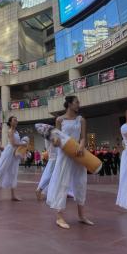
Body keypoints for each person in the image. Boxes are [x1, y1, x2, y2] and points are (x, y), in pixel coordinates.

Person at [46, 96, 93, 229]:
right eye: (77, 102)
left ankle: (81, 215)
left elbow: (83, 138)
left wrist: (81, 146)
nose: (79, 104)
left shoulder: (81, 119)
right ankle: (59, 217)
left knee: (80, 182)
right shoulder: (59, 120)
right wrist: (54, 141)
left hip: (78, 154)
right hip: (64, 154)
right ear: (69, 104)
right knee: (62, 182)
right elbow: (57, 139)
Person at [0, 116, 25, 203]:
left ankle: (13, 195)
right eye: (14, 120)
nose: (16, 122)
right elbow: (13, 143)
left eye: (16, 120)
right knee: (0, 170)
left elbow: (16, 144)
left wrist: (21, 148)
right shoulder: (10, 131)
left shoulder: (16, 132)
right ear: (10, 122)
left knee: (13, 172)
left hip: (15, 153)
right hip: (8, 153)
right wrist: (23, 144)